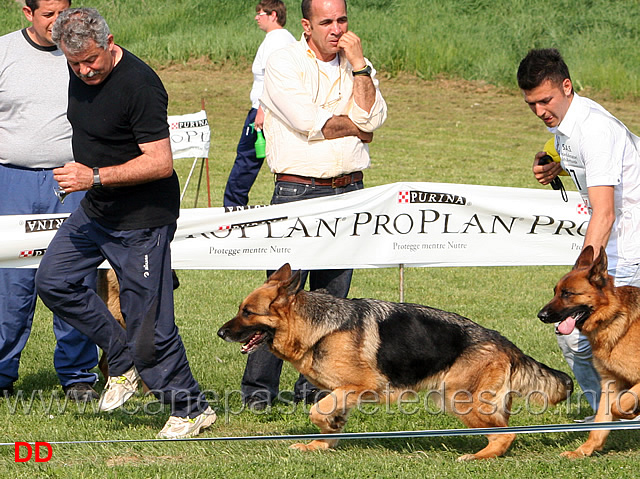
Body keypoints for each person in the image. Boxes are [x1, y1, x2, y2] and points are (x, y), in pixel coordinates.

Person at [35, 8, 216, 439]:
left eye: (91, 61)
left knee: (148, 323)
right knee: (54, 280)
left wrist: (92, 176)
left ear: (109, 42)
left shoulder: (140, 84)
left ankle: (191, 408)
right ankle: (122, 358)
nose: (84, 70)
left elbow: (159, 163)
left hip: (142, 220)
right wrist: (87, 174)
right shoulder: (78, 72)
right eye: (74, 63)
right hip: (98, 209)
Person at [240, 0, 388, 410]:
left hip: (351, 192)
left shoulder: (357, 62)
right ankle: (258, 394)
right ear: (307, 25)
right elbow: (310, 122)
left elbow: (375, 118)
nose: (337, 29)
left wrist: (358, 67)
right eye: (327, 22)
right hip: (298, 192)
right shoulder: (284, 62)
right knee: (275, 299)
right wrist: (355, 125)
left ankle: (317, 389)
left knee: (334, 304)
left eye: (342, 20)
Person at [517, 48, 640, 418]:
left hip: (627, 246)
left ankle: (618, 416)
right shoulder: (566, 125)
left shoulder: (596, 131)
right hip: (613, 246)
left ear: (567, 87)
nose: (540, 112)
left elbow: (603, 213)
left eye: (545, 101)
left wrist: (582, 278)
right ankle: (610, 416)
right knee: (575, 338)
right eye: (531, 105)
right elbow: (567, 148)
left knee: (585, 338)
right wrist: (553, 165)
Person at [0, 0, 99, 402]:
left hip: (71, 182)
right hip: (13, 180)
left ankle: (78, 376)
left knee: (73, 280)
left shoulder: (82, 53)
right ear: (27, 13)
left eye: (64, 11)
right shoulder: (4, 53)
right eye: (48, 15)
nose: (58, 22)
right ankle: (2, 372)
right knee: (10, 284)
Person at [223, 0, 295, 208]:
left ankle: (232, 208)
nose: (257, 17)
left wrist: (261, 111)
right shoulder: (286, 38)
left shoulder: (276, 40)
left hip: (263, 111)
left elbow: (273, 78)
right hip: (276, 110)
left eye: (260, 13)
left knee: (245, 162)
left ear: (273, 15)